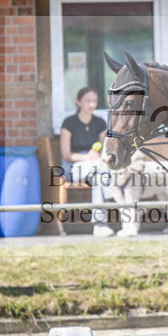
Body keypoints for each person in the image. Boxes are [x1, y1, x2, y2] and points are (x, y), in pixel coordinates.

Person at [60, 86, 115, 237]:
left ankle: (100, 226)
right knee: (102, 171)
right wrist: (87, 157)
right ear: (78, 102)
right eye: (87, 101)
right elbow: (66, 155)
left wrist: (99, 156)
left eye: (94, 101)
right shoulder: (68, 123)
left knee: (99, 178)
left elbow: (105, 148)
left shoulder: (99, 122)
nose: (91, 104)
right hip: (72, 167)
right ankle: (110, 192)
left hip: (95, 167)